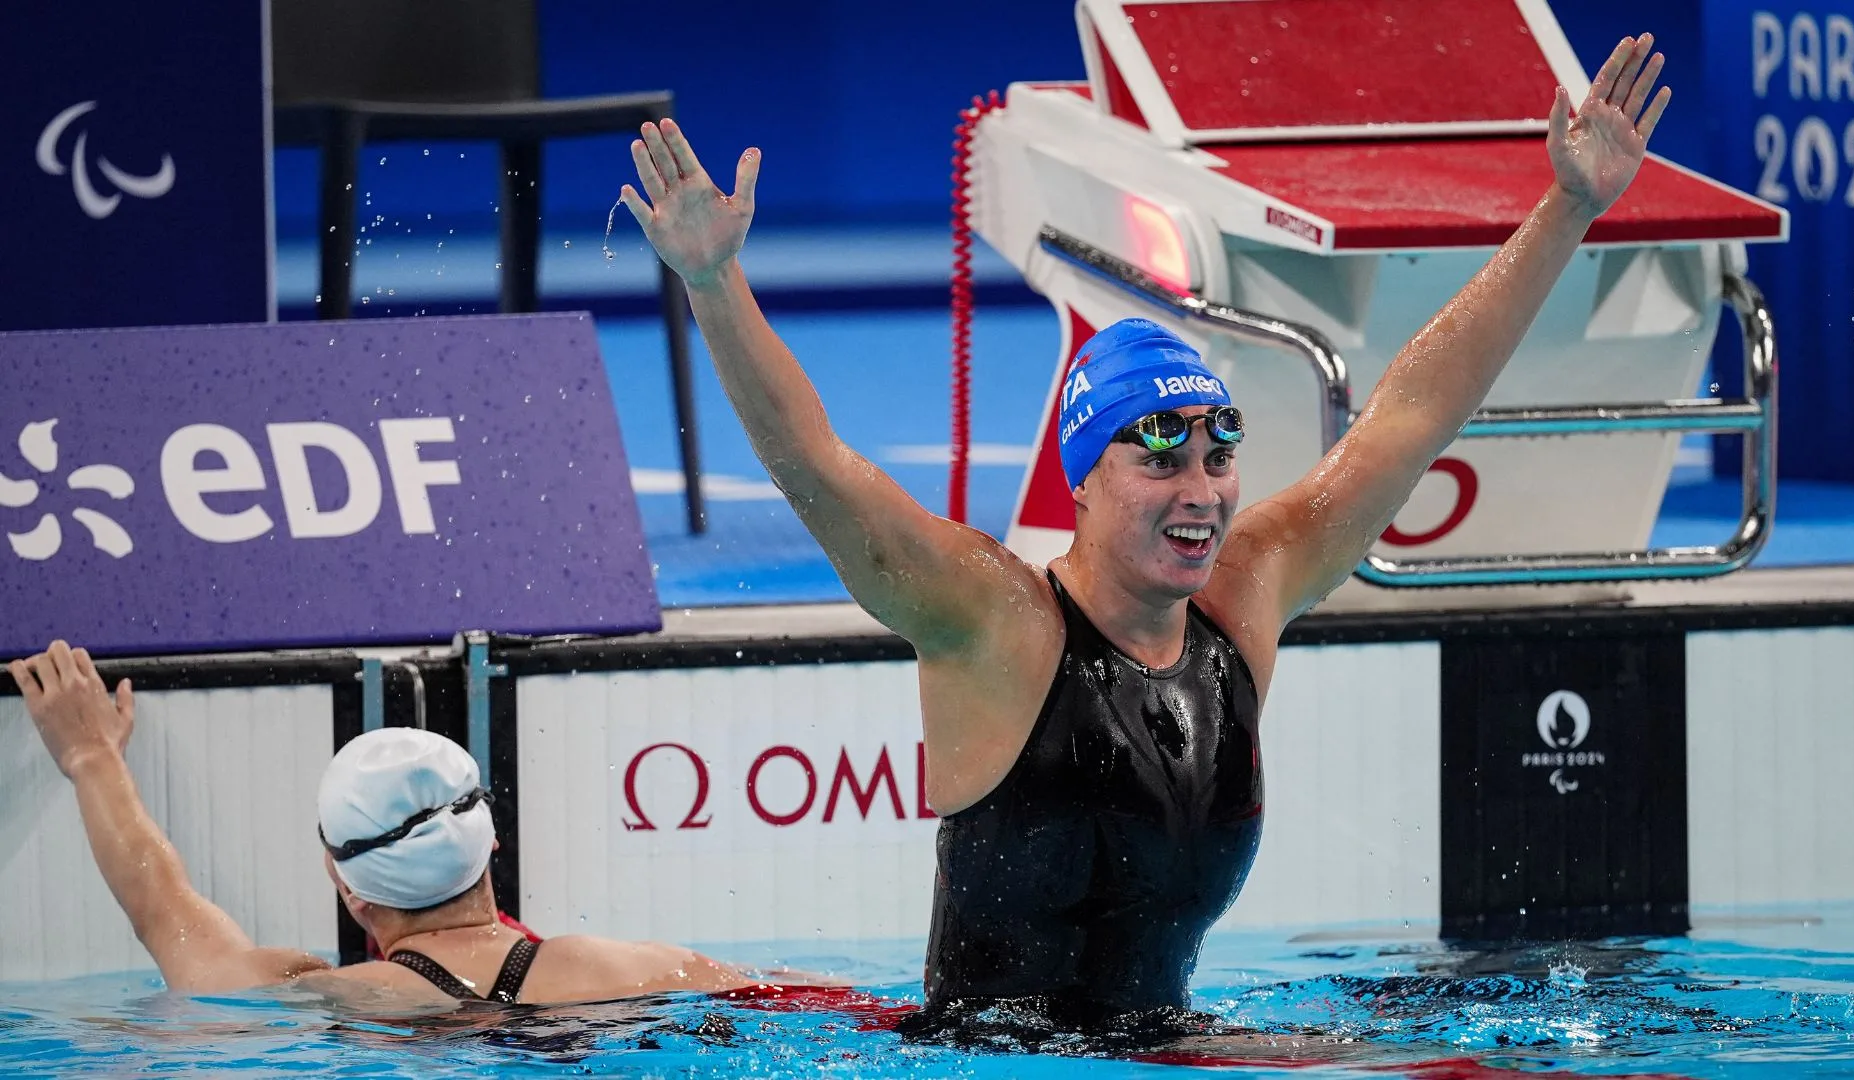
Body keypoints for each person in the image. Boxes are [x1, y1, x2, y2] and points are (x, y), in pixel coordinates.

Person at [618, 32, 1672, 1033]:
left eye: (1219, 459)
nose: (1203, 492)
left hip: (1167, 1046)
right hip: (983, 1060)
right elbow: (816, 465)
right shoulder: (998, 622)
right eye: (1159, 462)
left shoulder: (1244, 600)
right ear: (1080, 484)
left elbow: (1410, 416)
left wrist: (1567, 210)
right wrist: (715, 282)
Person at [6, 640, 772, 1004]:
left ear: (348, 886)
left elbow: (167, 918)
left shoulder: (331, 999)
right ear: (490, 843)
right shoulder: (638, 970)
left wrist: (91, 757)